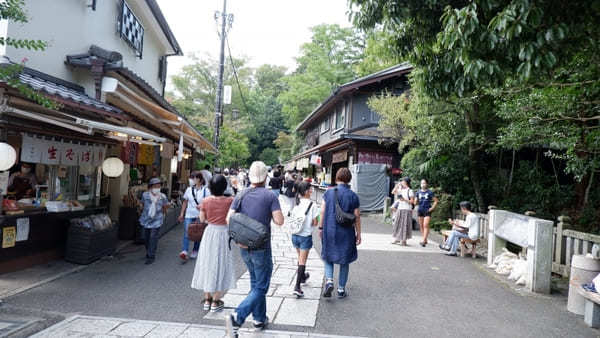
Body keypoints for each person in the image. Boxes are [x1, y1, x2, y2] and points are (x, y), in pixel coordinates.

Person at [224, 161, 284, 337]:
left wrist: (241, 235)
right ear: (266, 177)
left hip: (244, 246)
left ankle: (259, 318)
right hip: (262, 247)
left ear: (249, 176)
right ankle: (237, 317)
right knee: (262, 286)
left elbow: (229, 219)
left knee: (255, 283)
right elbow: (279, 221)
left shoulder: (241, 195)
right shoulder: (270, 196)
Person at [191, 174, 236, 312]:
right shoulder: (230, 201)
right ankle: (216, 301)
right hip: (223, 233)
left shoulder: (205, 201)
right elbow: (233, 217)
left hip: (209, 233)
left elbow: (202, 219)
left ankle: (207, 299)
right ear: (224, 187)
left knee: (207, 262)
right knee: (221, 263)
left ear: (210, 187)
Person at [319, 168, 361, 299]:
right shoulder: (353, 195)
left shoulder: (328, 193)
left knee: (328, 256)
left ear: (337, 178)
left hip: (330, 230)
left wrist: (320, 228)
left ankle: (329, 281)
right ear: (349, 179)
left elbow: (322, 211)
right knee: (345, 260)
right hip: (347, 232)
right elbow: (357, 216)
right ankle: (341, 290)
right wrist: (358, 234)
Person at [291, 181, 319, 297]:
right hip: (305, 237)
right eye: (310, 189)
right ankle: (297, 287)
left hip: (295, 235)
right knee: (302, 261)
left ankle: (302, 277)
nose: (312, 191)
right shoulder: (312, 205)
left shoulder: (296, 203)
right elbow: (315, 222)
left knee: (300, 258)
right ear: (306, 191)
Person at [178, 171, 210, 262]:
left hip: (200, 215)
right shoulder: (188, 189)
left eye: (194, 178)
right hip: (189, 214)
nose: (192, 180)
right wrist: (181, 214)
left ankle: (195, 249)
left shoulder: (205, 191)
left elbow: (208, 203)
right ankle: (184, 251)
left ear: (199, 179)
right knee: (187, 231)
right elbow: (185, 202)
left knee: (197, 233)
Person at [139, 178, 169, 265]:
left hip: (157, 219)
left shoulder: (162, 196)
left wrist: (163, 215)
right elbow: (142, 204)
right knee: (145, 237)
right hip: (146, 219)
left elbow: (165, 206)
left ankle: (151, 255)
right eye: (155, 186)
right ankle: (149, 250)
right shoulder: (145, 195)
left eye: (159, 186)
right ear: (151, 187)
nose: (157, 187)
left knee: (153, 237)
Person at [390, 177, 414, 246]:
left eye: (403, 181)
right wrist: (397, 185)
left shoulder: (410, 190)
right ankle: (397, 238)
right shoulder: (400, 189)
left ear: (406, 182)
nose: (402, 182)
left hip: (407, 209)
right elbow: (393, 192)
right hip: (400, 209)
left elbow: (412, 201)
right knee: (398, 224)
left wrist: (404, 200)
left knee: (405, 225)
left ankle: (404, 240)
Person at [415, 179, 438, 247]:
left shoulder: (430, 192)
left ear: (427, 184)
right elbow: (415, 202)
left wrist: (432, 208)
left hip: (427, 210)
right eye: (422, 183)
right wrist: (415, 201)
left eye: (424, 183)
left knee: (426, 224)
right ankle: (424, 239)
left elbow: (436, 201)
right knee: (421, 225)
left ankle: (423, 240)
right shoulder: (418, 192)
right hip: (420, 210)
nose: (423, 184)